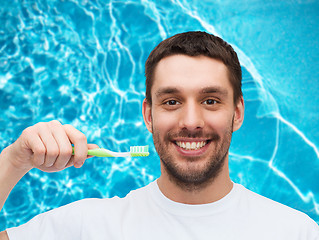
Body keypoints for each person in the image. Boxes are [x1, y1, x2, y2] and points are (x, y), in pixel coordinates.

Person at [0, 31, 318, 239]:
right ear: (148, 116)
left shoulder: (294, 231)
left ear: (237, 113)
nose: (191, 121)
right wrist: (15, 160)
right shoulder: (87, 226)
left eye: (210, 100)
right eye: (171, 101)